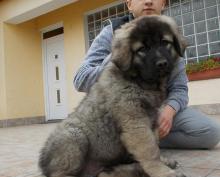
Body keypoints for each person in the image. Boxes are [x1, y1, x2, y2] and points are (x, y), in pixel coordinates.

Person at [74, 0, 220, 149]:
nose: (149, 1)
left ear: (163, 4)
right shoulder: (112, 32)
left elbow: (180, 88)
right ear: (129, 4)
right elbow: (81, 79)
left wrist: (168, 112)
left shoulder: (170, 35)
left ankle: (144, 142)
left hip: (158, 110)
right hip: (121, 112)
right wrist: (122, 52)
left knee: (210, 133)